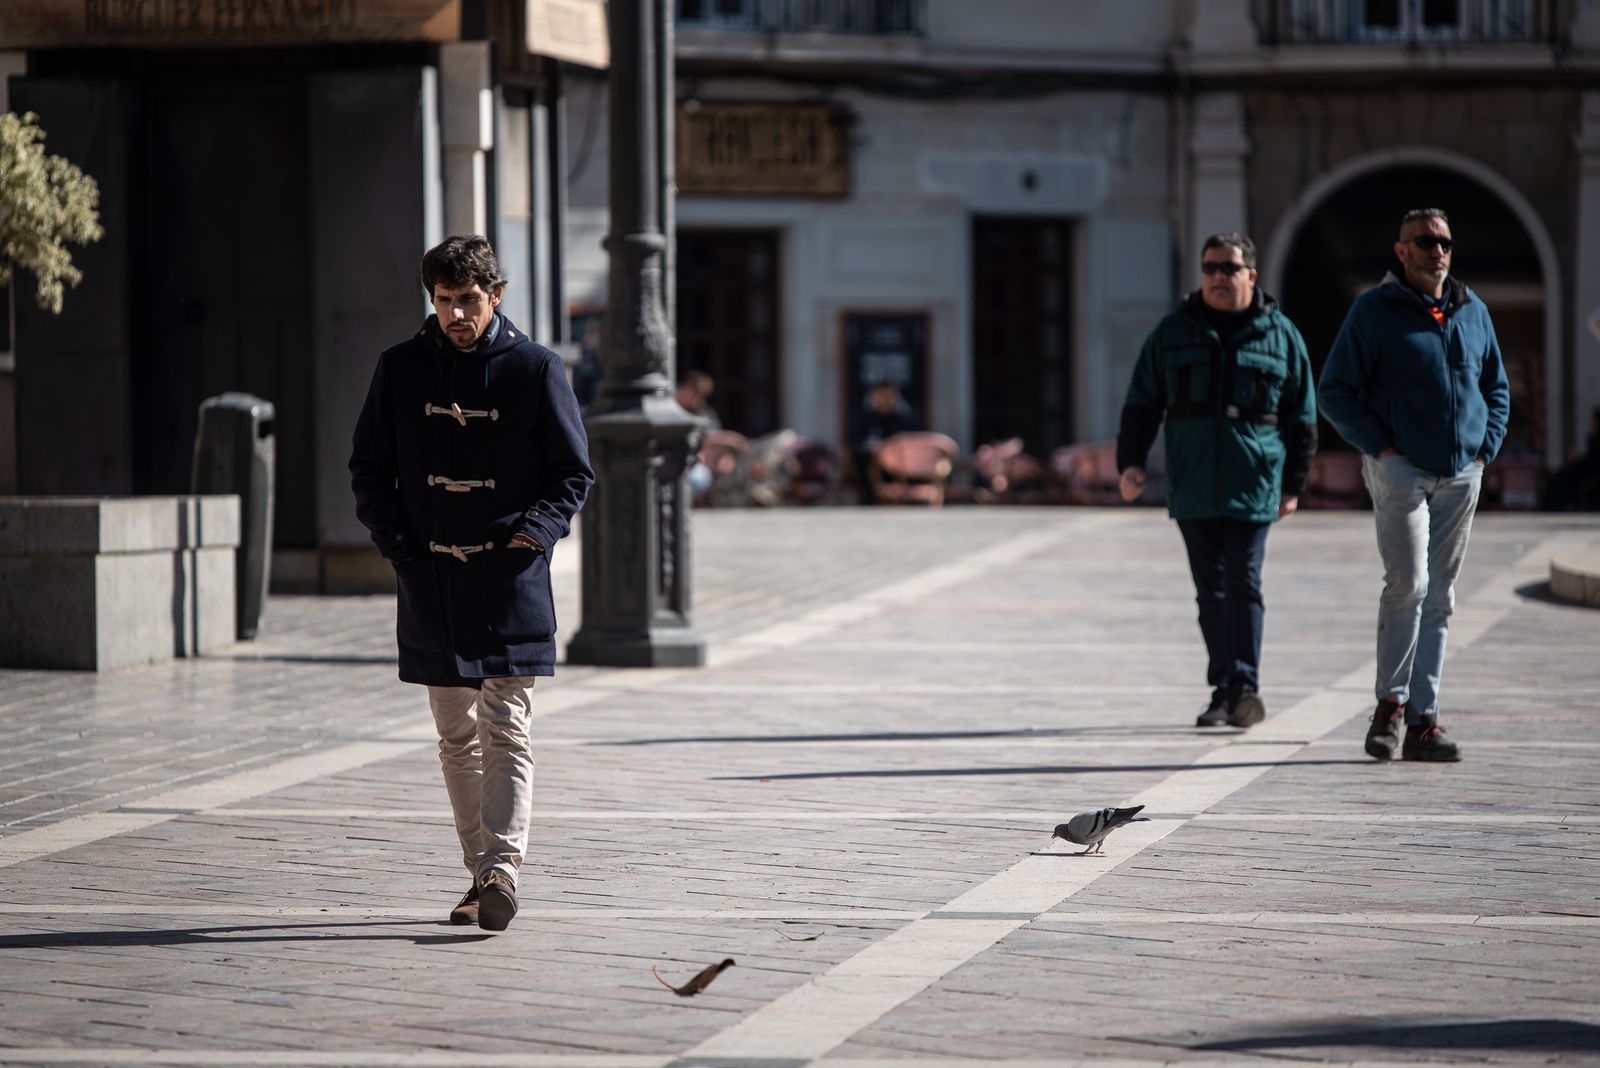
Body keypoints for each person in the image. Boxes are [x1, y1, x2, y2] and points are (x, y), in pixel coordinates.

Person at [349, 235, 594, 930]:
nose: (457, 313)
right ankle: (481, 873)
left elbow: (572, 472)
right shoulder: (399, 370)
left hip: (510, 578)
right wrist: (404, 551)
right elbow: (369, 471)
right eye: (445, 300)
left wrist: (532, 536)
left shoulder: (537, 369)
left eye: (469, 300)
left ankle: (503, 867)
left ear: (497, 295)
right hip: (432, 579)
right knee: (456, 734)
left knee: (506, 727)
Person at [1320, 209, 1510, 763]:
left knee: (1442, 594)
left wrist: (1485, 446)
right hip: (1399, 466)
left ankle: (1424, 720)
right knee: (1409, 582)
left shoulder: (1473, 311)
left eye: (1445, 241)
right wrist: (1380, 445)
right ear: (1401, 251)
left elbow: (1495, 386)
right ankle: (1390, 706)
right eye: (1425, 241)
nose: (1438, 251)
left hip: (1461, 472)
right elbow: (1334, 390)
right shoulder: (1374, 311)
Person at [1116, 233, 1317, 729]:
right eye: (1210, 268)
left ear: (1251, 274)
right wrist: (1131, 462)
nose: (1218, 278)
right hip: (1194, 482)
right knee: (1211, 592)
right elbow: (1143, 400)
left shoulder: (1281, 335)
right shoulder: (1173, 332)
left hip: (1255, 481)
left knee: (1243, 582)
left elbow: (1303, 416)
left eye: (1229, 268)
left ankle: (1244, 684)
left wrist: (1294, 483)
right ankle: (1223, 689)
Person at [850, 381, 919, 504]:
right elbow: (855, 444)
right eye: (881, 395)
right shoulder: (865, 419)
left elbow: (915, 444)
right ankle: (870, 502)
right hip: (871, 470)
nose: (885, 399)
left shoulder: (906, 421)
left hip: (902, 470)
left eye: (889, 395)